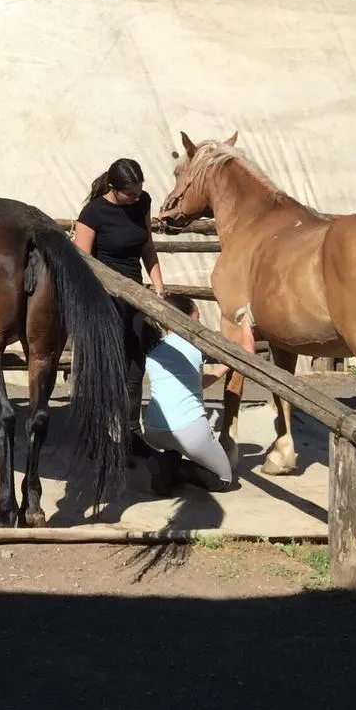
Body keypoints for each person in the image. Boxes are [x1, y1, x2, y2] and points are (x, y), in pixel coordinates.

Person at [73, 158, 167, 449]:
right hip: (104, 298)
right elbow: (83, 263)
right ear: (114, 189)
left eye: (140, 191)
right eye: (131, 193)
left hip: (134, 295)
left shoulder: (142, 203)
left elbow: (146, 246)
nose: (137, 197)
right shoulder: (92, 213)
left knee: (134, 364)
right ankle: (95, 433)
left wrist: (158, 283)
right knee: (102, 366)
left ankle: (130, 430)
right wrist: (104, 294)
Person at [140, 293, 240, 495]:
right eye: (197, 317)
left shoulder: (154, 347)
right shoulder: (197, 344)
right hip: (190, 431)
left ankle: (165, 463)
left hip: (153, 428)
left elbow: (192, 383)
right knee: (224, 480)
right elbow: (246, 349)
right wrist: (246, 323)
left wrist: (222, 369)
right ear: (185, 318)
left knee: (174, 446)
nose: (199, 323)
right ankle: (172, 467)